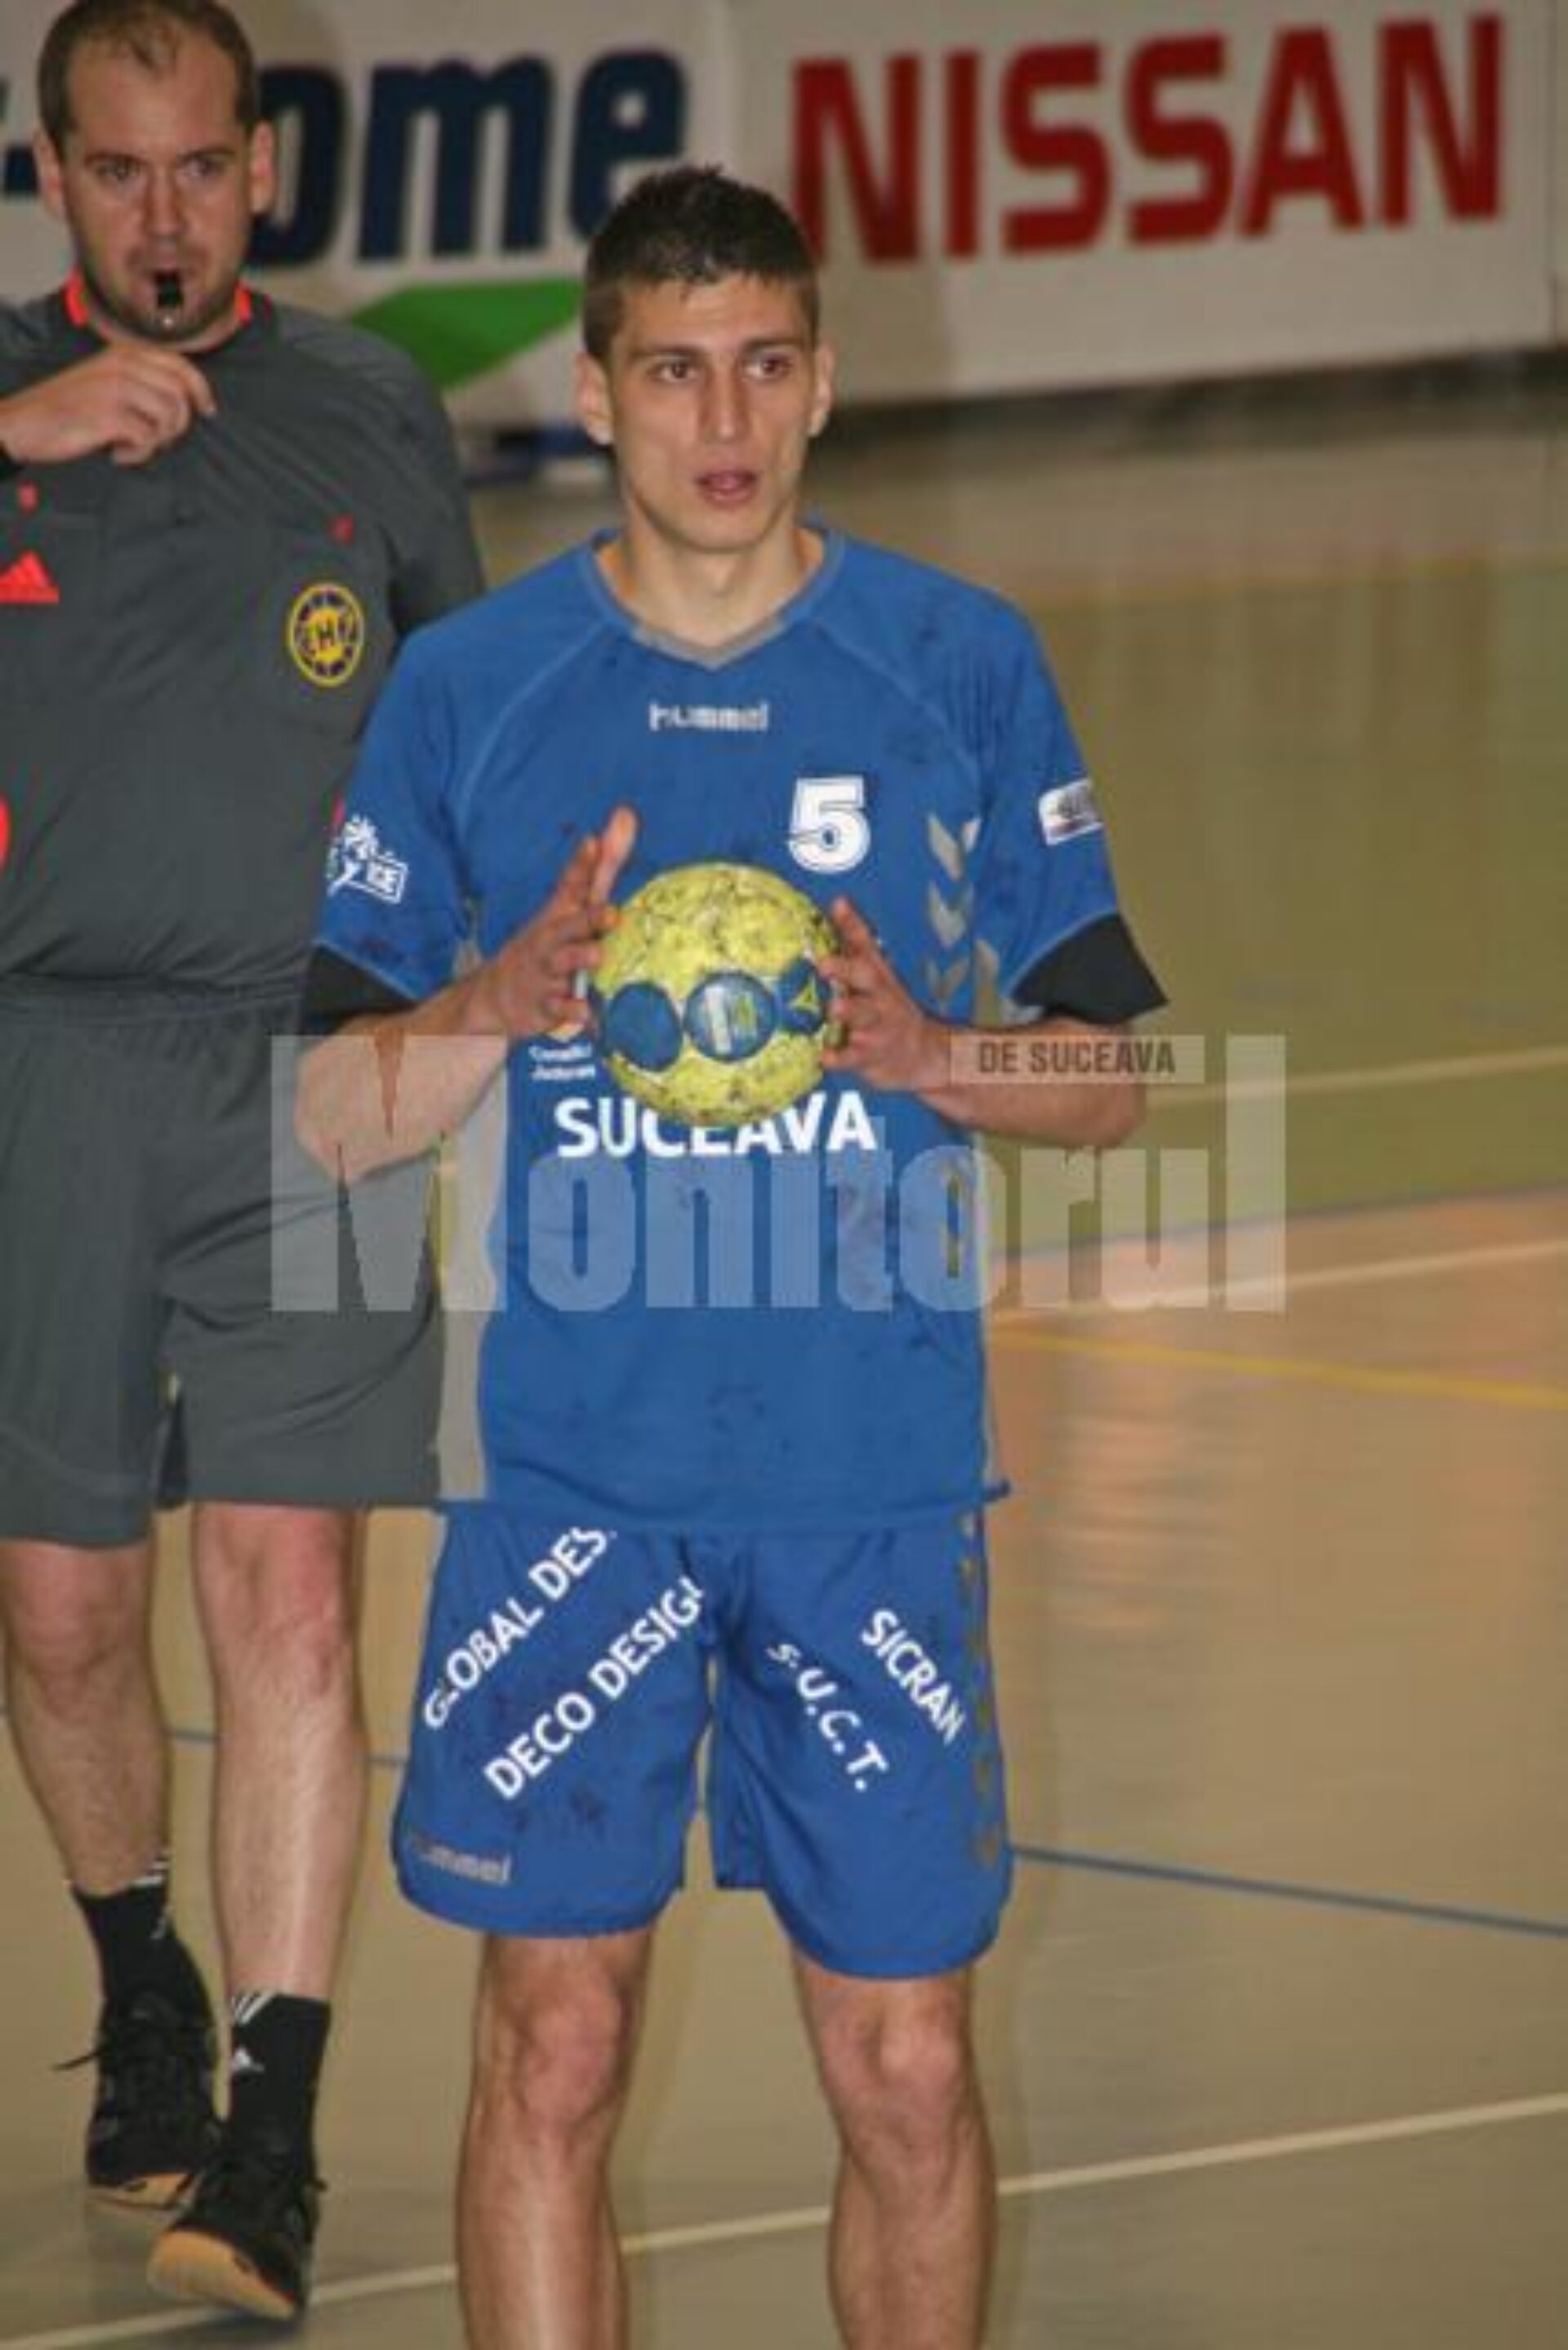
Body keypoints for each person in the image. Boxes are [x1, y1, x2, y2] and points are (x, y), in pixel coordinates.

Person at [296, 165, 1164, 2348]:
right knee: (555, 2048)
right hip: (571, 1486)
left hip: (871, 1484)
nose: (725, 417)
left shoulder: (959, 664)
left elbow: (1112, 1086)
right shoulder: (472, 689)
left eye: (766, 365)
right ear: (595, 392)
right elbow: (327, 1120)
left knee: (907, 2068)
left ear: (825, 382)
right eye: (675, 370)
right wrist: (493, 1003)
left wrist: (929, 1049)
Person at [0, 0, 481, 2322]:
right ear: (51, 177)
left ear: (265, 170)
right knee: (62, 1613)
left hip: (315, 1078)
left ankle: (272, 2128)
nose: (166, 216)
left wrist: (479, 1010)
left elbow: (472, 730)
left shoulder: (371, 408)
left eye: (203, 166)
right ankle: (144, 1987)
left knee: (289, 1594)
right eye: (120, 171)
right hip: (44, 1074)